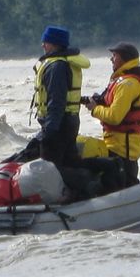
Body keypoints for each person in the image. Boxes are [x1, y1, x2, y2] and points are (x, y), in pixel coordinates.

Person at [10, 25, 91, 181]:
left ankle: (83, 186)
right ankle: (87, 183)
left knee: (49, 168)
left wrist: (50, 130)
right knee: (69, 162)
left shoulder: (56, 66)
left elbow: (57, 100)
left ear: (54, 44)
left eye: (45, 41)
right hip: (68, 121)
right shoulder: (61, 63)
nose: (42, 45)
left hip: (59, 124)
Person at [78, 41, 140, 192]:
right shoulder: (123, 80)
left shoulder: (127, 84)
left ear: (124, 59)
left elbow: (115, 117)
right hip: (117, 144)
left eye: (114, 56)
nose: (111, 59)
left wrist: (95, 109)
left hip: (123, 149)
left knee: (122, 184)